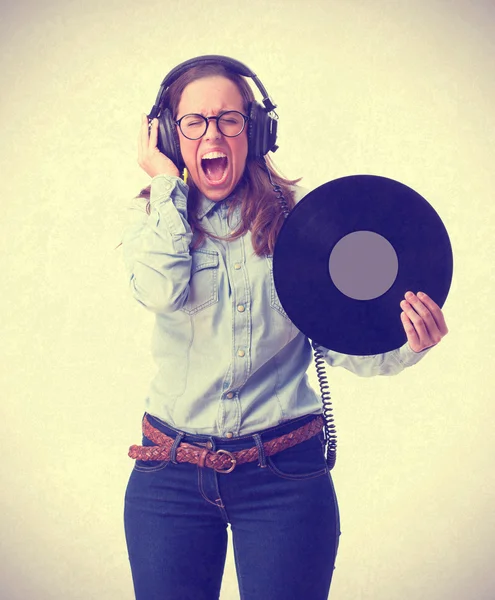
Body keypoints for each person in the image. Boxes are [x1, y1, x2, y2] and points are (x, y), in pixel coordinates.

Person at [121, 56, 449, 600]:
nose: (213, 133)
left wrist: (409, 339)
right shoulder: (154, 224)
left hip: (284, 480)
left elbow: (352, 344)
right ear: (170, 136)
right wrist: (163, 185)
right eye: (193, 122)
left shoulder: (306, 226)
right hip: (169, 477)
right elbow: (159, 291)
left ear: (255, 131)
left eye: (229, 119)